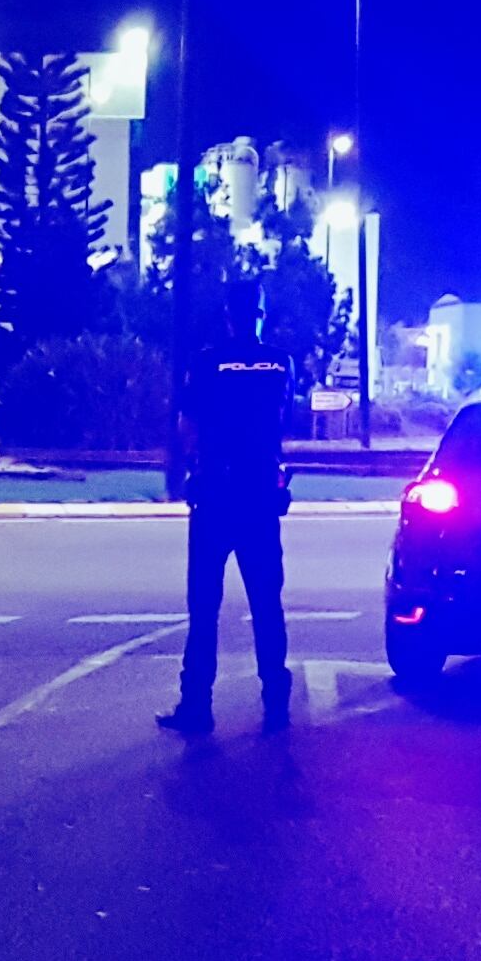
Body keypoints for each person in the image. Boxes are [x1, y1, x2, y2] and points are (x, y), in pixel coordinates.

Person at [158, 280, 292, 735]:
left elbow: (187, 426)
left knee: (204, 608)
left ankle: (197, 706)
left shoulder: (207, 363)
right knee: (267, 604)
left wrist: (194, 466)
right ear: (260, 313)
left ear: (228, 315)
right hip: (259, 496)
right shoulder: (280, 363)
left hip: (216, 493)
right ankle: (276, 705)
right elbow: (282, 421)